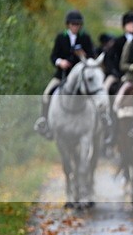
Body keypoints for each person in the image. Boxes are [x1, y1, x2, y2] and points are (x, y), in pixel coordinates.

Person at [34, 9, 96, 138]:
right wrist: (60, 62)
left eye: (77, 24)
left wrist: (83, 55)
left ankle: (98, 122)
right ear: (68, 25)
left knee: (94, 93)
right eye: (73, 24)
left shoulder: (85, 38)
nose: (75, 27)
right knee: (46, 94)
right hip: (62, 75)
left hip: (80, 77)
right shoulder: (60, 38)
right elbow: (53, 56)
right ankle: (45, 121)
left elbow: (92, 57)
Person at [104, 11, 133, 95]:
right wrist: (113, 71)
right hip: (118, 73)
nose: (131, 26)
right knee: (105, 87)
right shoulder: (118, 41)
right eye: (129, 24)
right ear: (124, 26)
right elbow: (108, 58)